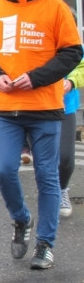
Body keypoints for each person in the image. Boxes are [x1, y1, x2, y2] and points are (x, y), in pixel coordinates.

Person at [0, 0, 82, 270]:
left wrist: (36, 78)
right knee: (4, 169)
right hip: (5, 106)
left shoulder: (56, 7)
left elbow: (72, 52)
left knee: (47, 176)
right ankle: (21, 219)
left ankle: (46, 245)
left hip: (44, 105)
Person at [59, 57, 84, 217]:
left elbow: (81, 65)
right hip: (36, 104)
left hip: (65, 103)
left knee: (66, 157)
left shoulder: (70, 37)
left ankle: (62, 189)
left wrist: (71, 82)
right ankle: (48, 191)